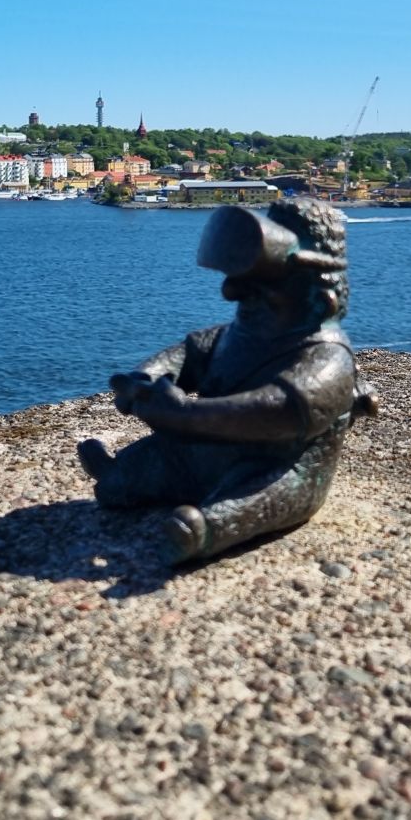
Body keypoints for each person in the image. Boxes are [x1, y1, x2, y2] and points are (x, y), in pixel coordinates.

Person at [78, 197, 377, 563]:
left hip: (276, 465)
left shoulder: (328, 360)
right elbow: (189, 354)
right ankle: (119, 475)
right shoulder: (236, 336)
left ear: (323, 300)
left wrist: (184, 416)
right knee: (159, 457)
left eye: (262, 290)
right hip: (207, 451)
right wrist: (146, 378)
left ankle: (204, 530)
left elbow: (276, 411)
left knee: (263, 495)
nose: (231, 293)